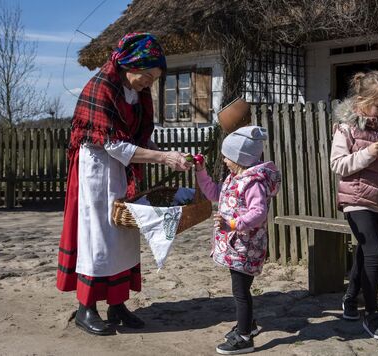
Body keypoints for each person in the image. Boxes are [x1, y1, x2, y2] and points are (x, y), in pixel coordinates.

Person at [56, 32, 191, 336]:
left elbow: (138, 137)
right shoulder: (101, 88)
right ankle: (86, 308)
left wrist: (172, 155)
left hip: (121, 169)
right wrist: (163, 158)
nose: (149, 84)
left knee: (124, 236)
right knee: (99, 237)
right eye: (147, 76)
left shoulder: (137, 93)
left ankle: (117, 304)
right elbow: (113, 144)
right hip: (97, 172)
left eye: (154, 79)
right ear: (131, 64)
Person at [330, 71, 378, 340]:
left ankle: (351, 299)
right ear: (361, 100)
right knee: (374, 252)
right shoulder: (346, 127)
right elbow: (338, 164)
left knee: (365, 254)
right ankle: (372, 315)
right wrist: (365, 154)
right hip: (355, 200)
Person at [195, 126, 281, 354]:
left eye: (227, 156)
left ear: (239, 158)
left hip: (246, 246)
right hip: (237, 246)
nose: (224, 160)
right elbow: (214, 193)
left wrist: (233, 224)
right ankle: (248, 326)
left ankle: (244, 337)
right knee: (242, 289)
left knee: (241, 292)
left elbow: (259, 212)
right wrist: (201, 171)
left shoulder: (252, 183)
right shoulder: (235, 178)